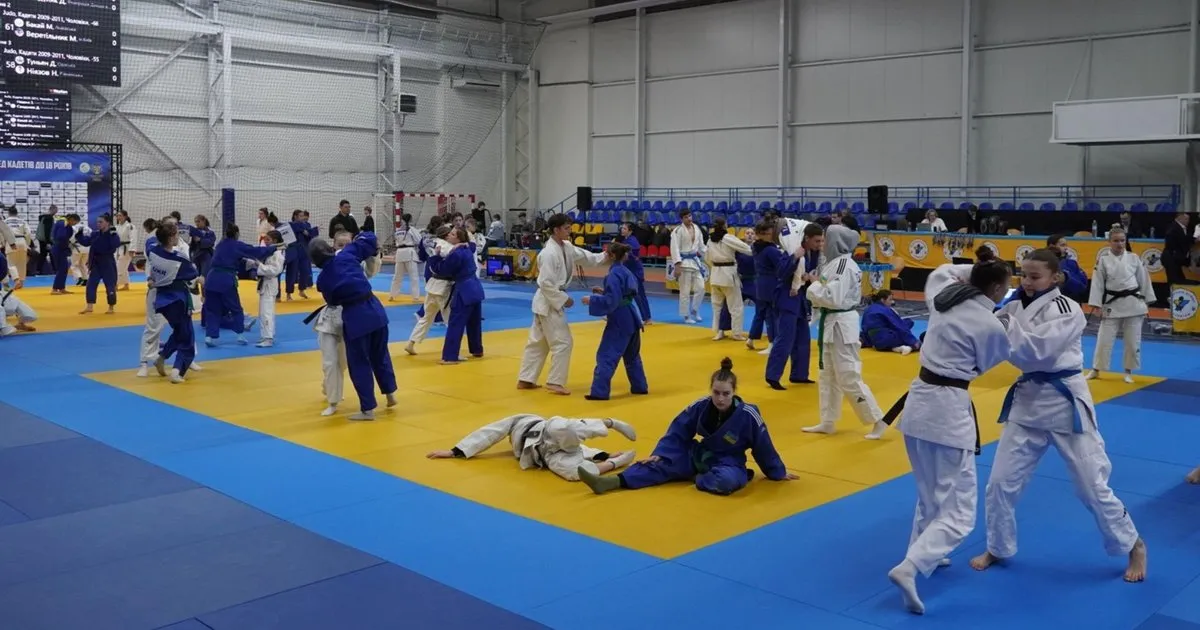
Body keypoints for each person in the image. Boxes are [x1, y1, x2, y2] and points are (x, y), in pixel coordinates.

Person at [970, 248, 1147, 583]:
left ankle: (1133, 543)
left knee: (1091, 486)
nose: (1027, 282)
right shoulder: (1011, 308)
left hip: (1065, 403)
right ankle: (998, 546)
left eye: (1035, 276)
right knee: (1000, 484)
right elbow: (991, 346)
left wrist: (1002, 326)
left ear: (1055, 277)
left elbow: (1039, 351)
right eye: (1024, 275)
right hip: (1027, 402)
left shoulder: (1067, 309)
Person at [884, 247, 1012, 615]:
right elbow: (983, 365)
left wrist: (983, 268)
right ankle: (910, 567)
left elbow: (943, 268)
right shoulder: (990, 324)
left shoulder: (943, 295)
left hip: (917, 407)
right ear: (996, 290)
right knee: (960, 512)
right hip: (947, 414)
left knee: (929, 494)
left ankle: (925, 552)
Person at [578, 357, 797, 495]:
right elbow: (678, 430)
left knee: (726, 481)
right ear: (711, 390)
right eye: (716, 393)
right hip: (698, 455)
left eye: (726, 394)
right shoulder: (701, 406)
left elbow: (763, 445)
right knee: (658, 464)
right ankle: (610, 482)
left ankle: (697, 478)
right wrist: (660, 453)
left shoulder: (749, 415)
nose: (720, 398)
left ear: (734, 392)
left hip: (728, 461)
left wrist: (777, 472)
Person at [802, 224, 887, 439]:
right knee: (827, 375)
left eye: (826, 240)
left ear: (835, 242)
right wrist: (818, 288)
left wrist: (813, 287)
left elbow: (832, 297)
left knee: (849, 375)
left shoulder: (843, 265)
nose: (823, 244)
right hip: (831, 322)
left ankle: (878, 419)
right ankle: (828, 421)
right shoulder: (833, 264)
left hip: (841, 323)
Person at [517, 212, 608, 396]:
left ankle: (526, 379)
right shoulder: (548, 253)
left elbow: (588, 258)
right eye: (566, 228)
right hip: (549, 301)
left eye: (570, 227)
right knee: (563, 342)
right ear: (556, 230)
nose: (569, 231)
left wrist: (607, 255)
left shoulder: (566, 247)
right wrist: (563, 298)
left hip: (545, 302)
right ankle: (555, 382)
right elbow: (545, 283)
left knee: (538, 343)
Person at [311, 231, 397, 420]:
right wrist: (362, 239)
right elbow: (370, 239)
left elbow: (332, 300)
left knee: (359, 363)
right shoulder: (348, 255)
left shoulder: (323, 279)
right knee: (380, 355)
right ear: (331, 248)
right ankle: (390, 395)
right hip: (376, 310)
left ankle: (368, 410)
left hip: (355, 316)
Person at [427, 415, 638, 482]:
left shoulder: (520, 420)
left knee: (567, 428)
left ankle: (610, 422)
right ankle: (616, 462)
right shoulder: (526, 446)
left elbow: (492, 431)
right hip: (545, 455)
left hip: (544, 429)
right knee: (575, 474)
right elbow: (577, 449)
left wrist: (455, 450)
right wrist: (606, 456)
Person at [582, 241, 648, 400]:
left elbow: (612, 301)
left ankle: (599, 392)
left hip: (620, 319)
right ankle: (640, 386)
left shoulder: (613, 275)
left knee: (607, 354)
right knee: (632, 356)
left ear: (611, 256)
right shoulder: (625, 271)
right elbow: (625, 294)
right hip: (632, 317)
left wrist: (592, 300)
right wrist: (603, 292)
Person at [1087, 227, 1153, 384]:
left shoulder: (1134, 258)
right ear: (1109, 242)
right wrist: (1096, 305)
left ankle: (1128, 371)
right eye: (1116, 241)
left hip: (1134, 303)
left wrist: (1147, 300)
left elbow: (1143, 280)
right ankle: (1096, 369)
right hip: (1112, 303)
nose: (1119, 244)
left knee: (1132, 341)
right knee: (1103, 340)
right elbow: (1097, 284)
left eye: (1122, 240)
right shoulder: (1103, 260)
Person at [767, 222, 824, 389]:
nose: (820, 244)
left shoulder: (814, 253)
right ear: (807, 238)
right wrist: (794, 258)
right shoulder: (790, 248)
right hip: (787, 297)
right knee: (785, 338)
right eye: (817, 241)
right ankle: (772, 376)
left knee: (803, 338)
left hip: (800, 298)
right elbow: (781, 272)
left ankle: (799, 374)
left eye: (822, 241)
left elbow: (811, 273)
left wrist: (807, 277)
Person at [202, 224, 275, 347]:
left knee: (212, 310)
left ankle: (209, 336)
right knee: (235, 308)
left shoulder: (220, 245)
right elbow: (255, 251)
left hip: (211, 278)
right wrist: (272, 249)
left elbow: (230, 258)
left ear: (225, 234)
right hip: (225, 279)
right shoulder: (237, 245)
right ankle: (240, 334)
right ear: (237, 234)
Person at [146, 221, 200, 384]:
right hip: (178, 299)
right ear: (170, 238)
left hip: (162, 300)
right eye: (176, 234)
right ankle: (178, 371)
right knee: (187, 337)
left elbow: (151, 244)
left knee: (180, 331)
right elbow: (193, 273)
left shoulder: (153, 251)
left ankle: (162, 357)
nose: (178, 237)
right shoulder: (178, 259)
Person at [404, 225, 459, 356]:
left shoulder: (432, 242)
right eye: (451, 234)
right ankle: (453, 352)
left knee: (427, 317)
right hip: (443, 287)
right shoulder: (445, 245)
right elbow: (447, 253)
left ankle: (410, 343)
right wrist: (459, 247)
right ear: (446, 235)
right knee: (450, 320)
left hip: (432, 285)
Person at [439, 227, 485, 364]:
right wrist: (464, 243)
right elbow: (472, 245)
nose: (449, 235)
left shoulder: (456, 253)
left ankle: (450, 356)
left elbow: (444, 270)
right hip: (476, 288)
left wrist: (436, 257)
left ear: (458, 238)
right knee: (474, 321)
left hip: (464, 290)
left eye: (452, 234)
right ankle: (477, 349)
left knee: (456, 322)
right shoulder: (467, 249)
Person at [704, 217, 752, 340]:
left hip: (715, 274)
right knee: (735, 306)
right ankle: (736, 333)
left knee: (717, 306)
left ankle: (719, 332)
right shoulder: (728, 238)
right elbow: (746, 249)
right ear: (725, 226)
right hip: (728, 274)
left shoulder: (710, 240)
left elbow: (707, 258)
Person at [76, 213, 121, 315]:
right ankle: (89, 306)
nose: (98, 224)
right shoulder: (95, 234)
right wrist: (79, 235)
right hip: (96, 262)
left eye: (101, 222)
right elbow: (86, 242)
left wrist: (113, 235)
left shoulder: (112, 234)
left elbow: (116, 244)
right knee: (91, 284)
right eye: (97, 222)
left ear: (108, 223)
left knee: (110, 285)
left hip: (107, 261)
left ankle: (111, 307)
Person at [248, 230, 286, 348]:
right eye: (265, 239)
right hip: (265, 284)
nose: (265, 241)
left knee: (267, 312)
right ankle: (266, 335)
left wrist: (259, 265)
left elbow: (275, 270)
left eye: (268, 239)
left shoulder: (278, 254)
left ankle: (268, 338)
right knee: (263, 312)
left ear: (275, 241)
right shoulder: (270, 252)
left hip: (270, 284)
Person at [669, 208, 707, 324]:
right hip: (684, 262)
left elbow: (701, 247)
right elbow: (674, 248)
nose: (689, 218)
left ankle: (695, 310)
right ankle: (686, 315)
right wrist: (677, 264)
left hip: (695, 261)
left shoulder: (697, 228)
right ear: (681, 219)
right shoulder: (677, 231)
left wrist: (711, 256)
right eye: (686, 217)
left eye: (690, 216)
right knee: (685, 291)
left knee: (701, 288)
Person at [0, 218, 37, 336]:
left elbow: (5, 229)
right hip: (20, 242)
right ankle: (3, 327)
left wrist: (16, 280)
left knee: (30, 315)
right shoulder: (20, 221)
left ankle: (20, 323)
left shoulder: (1, 259)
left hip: (3, 292)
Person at [861, 290, 921, 355]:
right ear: (882, 300)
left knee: (906, 323)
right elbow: (899, 326)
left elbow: (864, 327)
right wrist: (913, 341)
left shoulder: (869, 308)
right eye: (890, 299)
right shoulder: (886, 310)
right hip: (886, 339)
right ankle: (910, 348)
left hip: (874, 341)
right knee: (910, 327)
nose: (892, 302)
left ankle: (896, 348)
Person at [616, 222, 652, 325]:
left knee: (639, 295)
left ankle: (647, 318)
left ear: (630, 231)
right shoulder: (625, 240)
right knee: (620, 292)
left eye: (624, 228)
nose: (622, 230)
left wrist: (622, 251)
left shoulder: (633, 241)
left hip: (635, 272)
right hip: (627, 271)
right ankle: (613, 313)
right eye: (622, 228)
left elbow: (634, 255)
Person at [389, 213, 422, 302]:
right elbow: (419, 240)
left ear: (402, 220)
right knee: (414, 276)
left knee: (397, 276)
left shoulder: (398, 230)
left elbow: (396, 242)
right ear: (410, 220)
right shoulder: (411, 229)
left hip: (399, 253)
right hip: (409, 252)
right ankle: (415, 297)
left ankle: (392, 295)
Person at [1046, 233, 1088, 299]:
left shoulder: (1072, 263)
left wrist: (1066, 278)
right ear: (1052, 247)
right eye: (1062, 245)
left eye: (1066, 245)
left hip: (1070, 300)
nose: (1066, 248)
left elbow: (1082, 287)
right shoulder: (1042, 263)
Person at [50, 214, 78, 294]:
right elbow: (61, 237)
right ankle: (55, 289)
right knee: (61, 268)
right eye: (75, 222)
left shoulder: (65, 224)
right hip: (59, 248)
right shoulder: (63, 223)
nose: (74, 224)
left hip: (61, 248)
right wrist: (67, 246)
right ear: (72, 219)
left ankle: (61, 288)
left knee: (64, 268)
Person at [4, 207, 32, 284]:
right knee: (22, 263)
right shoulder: (22, 221)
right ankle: (21, 281)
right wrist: (27, 244)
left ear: (8, 213)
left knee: (11, 263)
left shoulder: (5, 222)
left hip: (11, 242)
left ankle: (16, 280)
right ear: (17, 213)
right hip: (22, 241)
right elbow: (28, 233)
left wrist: (2, 243)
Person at [113, 210, 135, 290]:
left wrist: (132, 249)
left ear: (125, 216)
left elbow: (133, 238)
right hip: (118, 248)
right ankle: (126, 285)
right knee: (123, 267)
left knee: (118, 267)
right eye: (117, 216)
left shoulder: (130, 226)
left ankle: (115, 285)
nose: (118, 217)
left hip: (127, 249)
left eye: (120, 216)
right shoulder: (116, 226)